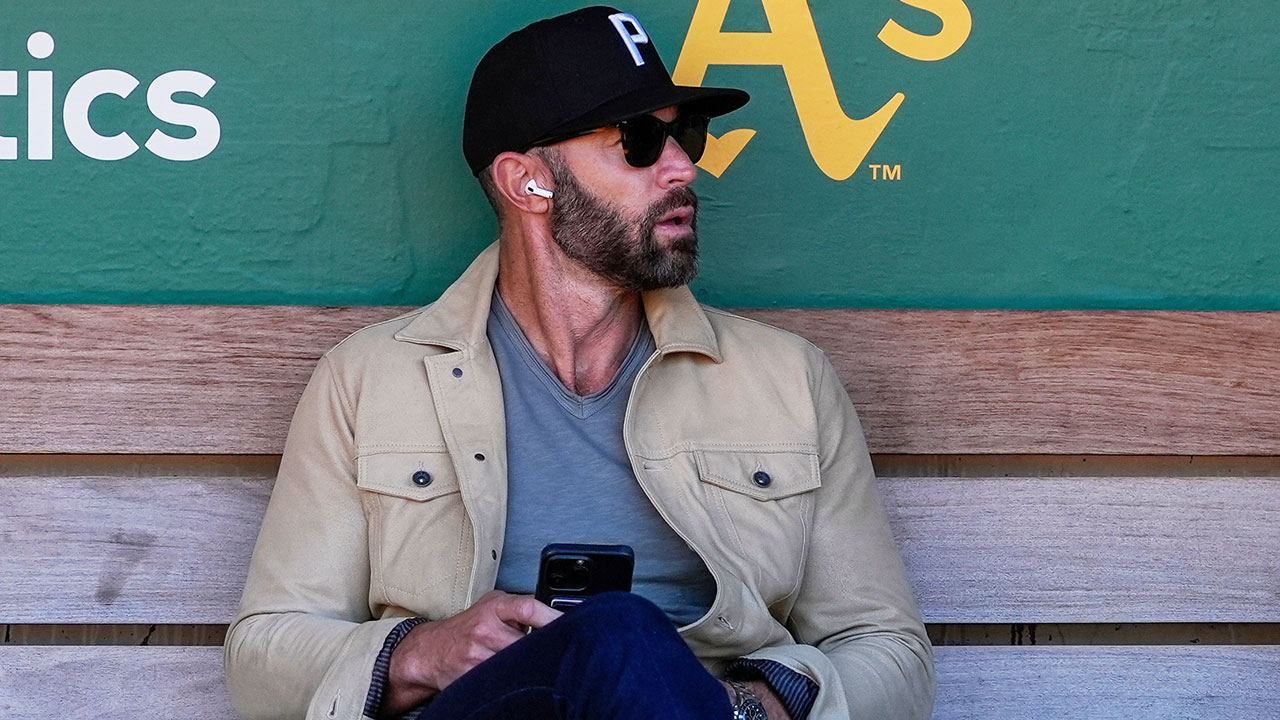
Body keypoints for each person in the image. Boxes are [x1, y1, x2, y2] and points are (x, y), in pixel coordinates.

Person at [223, 6, 934, 720]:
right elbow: (265, 657)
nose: (683, 166)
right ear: (527, 182)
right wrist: (422, 652)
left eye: (684, 133)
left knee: (629, 641)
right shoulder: (369, 381)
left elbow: (885, 648)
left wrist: (747, 706)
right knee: (617, 630)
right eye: (639, 141)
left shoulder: (787, 380)